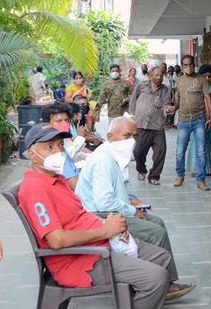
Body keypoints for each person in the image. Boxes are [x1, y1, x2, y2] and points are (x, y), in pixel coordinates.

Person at [19, 124, 171, 308]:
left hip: (97, 245)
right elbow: (56, 240)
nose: (58, 151)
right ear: (32, 155)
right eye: (49, 147)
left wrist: (110, 224)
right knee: (157, 278)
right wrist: (106, 231)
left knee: (162, 258)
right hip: (82, 260)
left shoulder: (57, 179)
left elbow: (80, 214)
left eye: (60, 145)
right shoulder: (35, 188)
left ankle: (132, 298)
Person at [75, 116, 195, 300]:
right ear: (110, 136)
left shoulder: (113, 156)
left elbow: (113, 190)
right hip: (100, 216)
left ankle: (164, 279)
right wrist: (131, 211)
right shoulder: (104, 160)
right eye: (126, 135)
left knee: (157, 222)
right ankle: (164, 283)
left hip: (111, 211)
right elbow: (104, 202)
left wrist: (130, 200)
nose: (131, 141)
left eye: (134, 136)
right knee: (155, 232)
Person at [172, 55, 211, 191]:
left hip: (199, 119)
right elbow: (177, 99)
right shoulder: (178, 81)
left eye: (190, 64)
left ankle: (201, 180)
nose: (188, 67)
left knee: (200, 151)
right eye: (185, 65)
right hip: (183, 120)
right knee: (180, 150)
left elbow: (207, 98)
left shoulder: (201, 79)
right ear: (182, 66)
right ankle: (179, 175)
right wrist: (173, 108)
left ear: (194, 64)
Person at [129, 66, 174, 185]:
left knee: (160, 151)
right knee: (138, 152)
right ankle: (141, 169)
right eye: (156, 75)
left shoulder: (165, 90)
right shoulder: (142, 86)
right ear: (150, 76)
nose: (159, 77)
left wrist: (167, 110)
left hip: (157, 126)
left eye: (161, 75)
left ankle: (154, 176)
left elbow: (166, 104)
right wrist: (132, 115)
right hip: (141, 125)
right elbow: (133, 99)